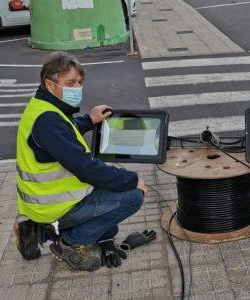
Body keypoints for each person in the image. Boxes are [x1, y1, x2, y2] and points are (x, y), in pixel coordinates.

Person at [13, 51, 152, 272]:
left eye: (79, 82)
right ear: (50, 85)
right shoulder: (48, 120)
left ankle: (34, 228)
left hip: (38, 202)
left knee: (109, 206)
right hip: (55, 205)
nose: (77, 87)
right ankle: (67, 244)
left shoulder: (42, 106)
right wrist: (132, 179)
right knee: (132, 197)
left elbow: (60, 138)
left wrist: (89, 120)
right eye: (70, 83)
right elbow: (87, 169)